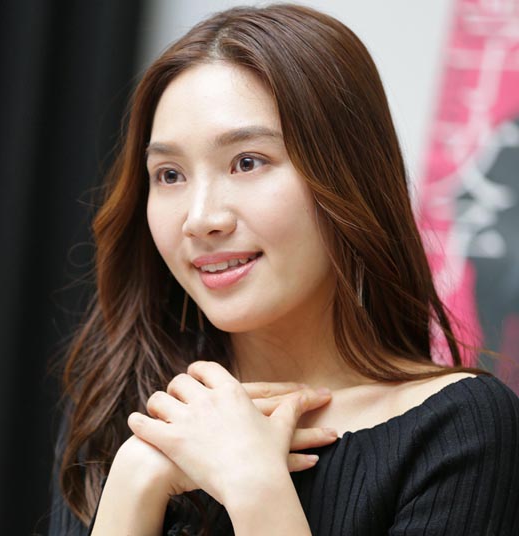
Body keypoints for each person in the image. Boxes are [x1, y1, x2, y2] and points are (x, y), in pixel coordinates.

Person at [48, 4, 519, 535]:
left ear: (350, 175)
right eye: (170, 174)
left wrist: (254, 486)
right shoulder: (122, 408)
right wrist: (135, 481)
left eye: (247, 162)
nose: (200, 219)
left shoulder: (460, 430)